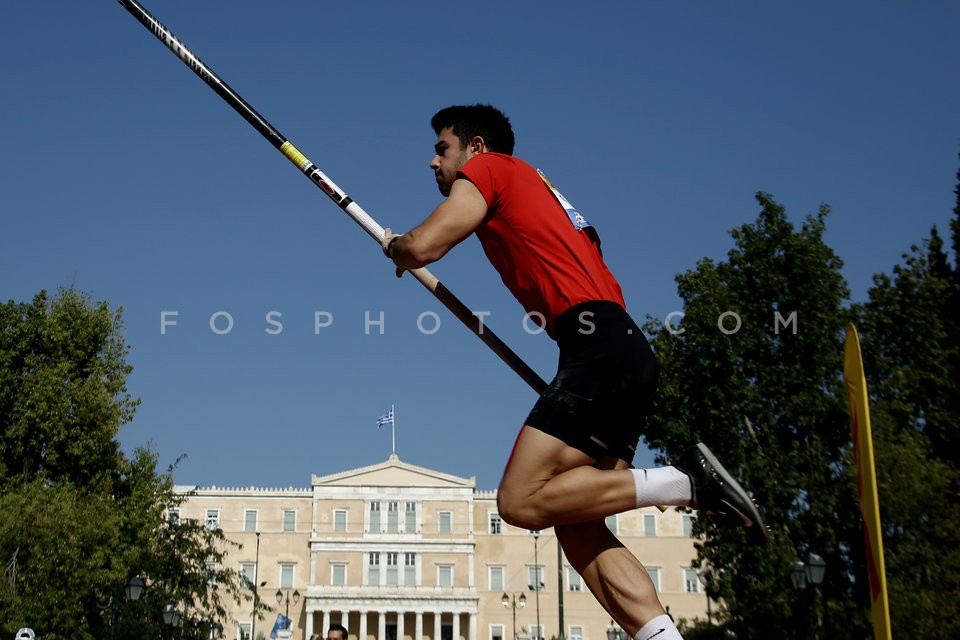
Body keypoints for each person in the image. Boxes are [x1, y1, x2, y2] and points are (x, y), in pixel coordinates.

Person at [382, 104, 768, 640]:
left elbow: (426, 244)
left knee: (518, 501)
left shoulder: (492, 169)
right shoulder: (549, 195)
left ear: (475, 147)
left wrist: (399, 246)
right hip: (617, 346)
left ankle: (686, 483)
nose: (433, 162)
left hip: (597, 346)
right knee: (579, 526)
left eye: (441, 149)